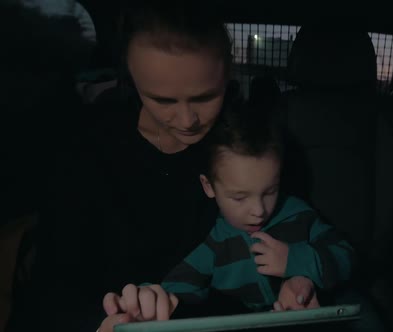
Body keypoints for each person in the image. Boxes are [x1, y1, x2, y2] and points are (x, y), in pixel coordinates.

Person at [9, 1, 318, 332]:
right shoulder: (86, 152)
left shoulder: (260, 149)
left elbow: (301, 235)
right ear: (130, 77)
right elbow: (54, 284)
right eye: (162, 100)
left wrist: (300, 280)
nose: (186, 121)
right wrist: (102, 324)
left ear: (227, 74)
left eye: (204, 97)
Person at [102, 103, 356, 320]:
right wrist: (148, 300)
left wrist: (297, 262)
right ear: (208, 186)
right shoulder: (214, 241)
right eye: (239, 196)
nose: (258, 210)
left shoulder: (298, 214)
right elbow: (176, 289)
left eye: (270, 191)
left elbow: (347, 257)